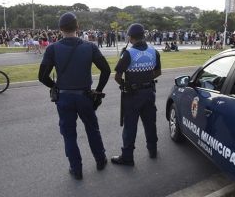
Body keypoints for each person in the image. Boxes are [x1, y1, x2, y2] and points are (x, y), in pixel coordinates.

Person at [38, 12, 111, 180]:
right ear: (77, 27)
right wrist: (98, 90)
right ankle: (100, 159)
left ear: (60, 29)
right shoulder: (89, 46)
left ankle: (76, 168)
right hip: (85, 95)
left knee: (69, 134)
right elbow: (106, 70)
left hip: (64, 97)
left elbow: (42, 76)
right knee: (92, 129)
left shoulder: (52, 48)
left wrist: (55, 86)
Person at [111, 23, 161, 166]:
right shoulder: (153, 51)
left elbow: (117, 76)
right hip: (149, 92)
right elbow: (158, 72)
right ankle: (152, 150)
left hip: (132, 95)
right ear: (143, 35)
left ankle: (127, 156)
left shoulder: (128, 53)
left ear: (130, 37)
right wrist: (146, 78)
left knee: (130, 126)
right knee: (150, 123)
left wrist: (125, 85)